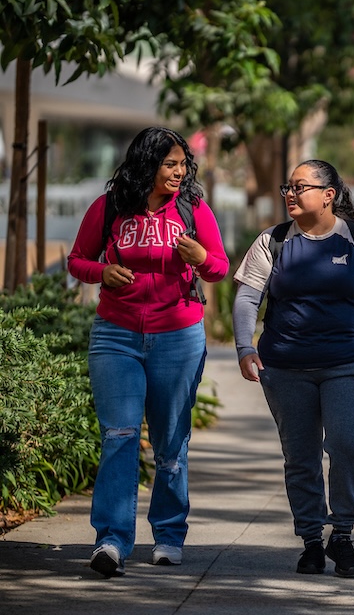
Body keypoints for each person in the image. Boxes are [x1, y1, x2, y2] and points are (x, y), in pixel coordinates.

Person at [67, 126, 229, 577]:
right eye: (170, 164)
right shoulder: (111, 206)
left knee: (170, 443)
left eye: (182, 164)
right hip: (116, 335)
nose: (179, 172)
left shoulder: (193, 208)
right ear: (147, 164)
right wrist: (103, 272)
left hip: (178, 336)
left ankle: (168, 534)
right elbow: (77, 260)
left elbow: (219, 268)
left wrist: (198, 255)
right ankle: (112, 540)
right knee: (118, 437)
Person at [232, 159, 354, 576]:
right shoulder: (272, 241)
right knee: (301, 457)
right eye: (287, 188)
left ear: (329, 195)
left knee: (347, 446)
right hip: (286, 367)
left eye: (300, 187)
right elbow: (246, 298)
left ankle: (341, 534)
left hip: (350, 362)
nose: (290, 194)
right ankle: (311, 539)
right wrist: (243, 347)